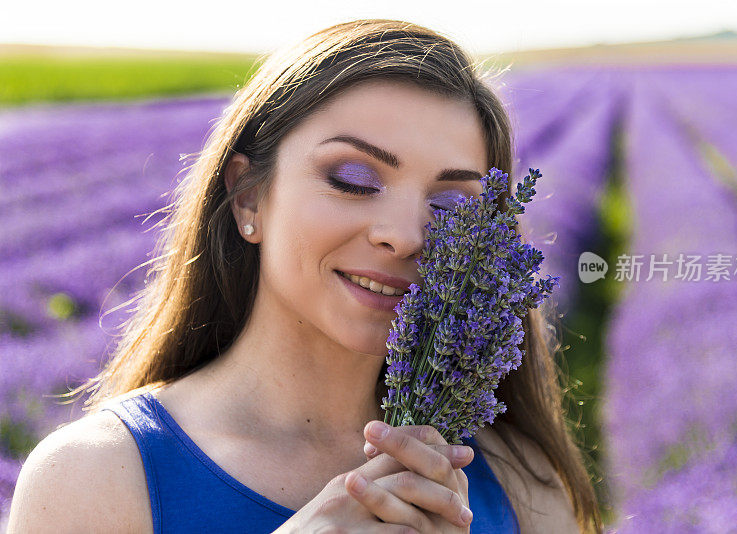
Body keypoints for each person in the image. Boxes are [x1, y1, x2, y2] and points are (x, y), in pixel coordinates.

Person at [6, 19, 603, 533]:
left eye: (450, 208)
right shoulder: (94, 480)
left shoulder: (521, 484)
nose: (406, 234)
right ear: (247, 197)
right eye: (353, 178)